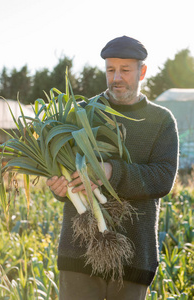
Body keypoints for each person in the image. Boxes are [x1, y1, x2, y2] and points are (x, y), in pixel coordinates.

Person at [47, 35, 179, 300]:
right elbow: (61, 169)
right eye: (110, 69)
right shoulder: (80, 113)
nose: (116, 77)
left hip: (132, 258)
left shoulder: (161, 121)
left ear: (142, 71)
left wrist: (111, 172)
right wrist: (58, 187)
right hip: (78, 255)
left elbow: (163, 179)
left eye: (125, 70)